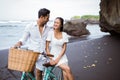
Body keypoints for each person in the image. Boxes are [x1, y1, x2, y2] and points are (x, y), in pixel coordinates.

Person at [14, 8, 52, 80]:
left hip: (43, 55)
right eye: (47, 18)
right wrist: (18, 43)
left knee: (39, 73)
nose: (48, 19)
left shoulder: (49, 28)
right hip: (32, 54)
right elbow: (23, 39)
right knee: (29, 71)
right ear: (41, 17)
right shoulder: (30, 26)